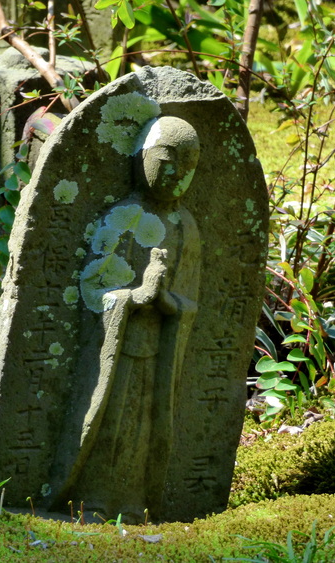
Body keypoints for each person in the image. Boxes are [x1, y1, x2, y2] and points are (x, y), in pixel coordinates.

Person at [54, 115, 202, 522]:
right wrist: (132, 297)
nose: (177, 175)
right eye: (167, 162)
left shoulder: (186, 228)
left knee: (145, 426)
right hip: (114, 352)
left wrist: (167, 302)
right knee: (109, 423)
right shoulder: (120, 217)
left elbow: (190, 301)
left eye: (188, 166)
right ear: (143, 160)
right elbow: (92, 289)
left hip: (158, 353)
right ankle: (94, 497)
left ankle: (134, 498)